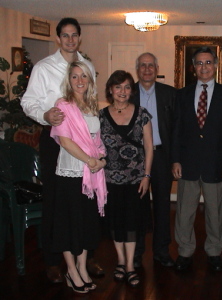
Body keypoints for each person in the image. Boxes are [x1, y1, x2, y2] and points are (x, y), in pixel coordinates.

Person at [20, 17, 103, 283]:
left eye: (74, 35)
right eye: (65, 35)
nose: (69, 40)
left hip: (85, 142)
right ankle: (53, 261)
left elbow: (91, 99)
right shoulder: (44, 67)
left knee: (86, 200)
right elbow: (28, 102)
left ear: (79, 37)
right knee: (56, 201)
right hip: (56, 141)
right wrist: (45, 114)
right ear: (58, 38)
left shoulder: (87, 65)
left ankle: (85, 258)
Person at [171, 47, 222, 271]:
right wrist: (175, 160)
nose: (204, 67)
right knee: (184, 210)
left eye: (208, 62)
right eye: (199, 63)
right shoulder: (181, 95)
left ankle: (214, 252)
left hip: (216, 164)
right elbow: (177, 130)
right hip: (188, 163)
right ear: (194, 67)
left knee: (216, 211)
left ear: (216, 65)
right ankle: (185, 251)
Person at [50, 61, 107, 293]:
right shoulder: (63, 105)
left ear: (90, 80)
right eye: (75, 77)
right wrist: (89, 160)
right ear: (69, 80)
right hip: (71, 173)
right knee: (68, 223)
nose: (80, 81)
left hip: (91, 174)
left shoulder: (92, 106)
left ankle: (83, 268)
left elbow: (98, 141)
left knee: (85, 223)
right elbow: (65, 141)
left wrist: (101, 159)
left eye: (84, 76)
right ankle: (71, 271)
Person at [100, 70, 153, 287]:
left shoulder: (142, 114)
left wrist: (147, 176)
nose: (123, 91)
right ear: (110, 89)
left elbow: (149, 147)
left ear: (132, 90)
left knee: (132, 223)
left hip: (135, 179)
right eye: (118, 87)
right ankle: (120, 261)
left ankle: (130, 265)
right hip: (109, 179)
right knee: (116, 222)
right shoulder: (100, 116)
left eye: (127, 87)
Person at [133, 52, 176, 268]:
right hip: (135, 158)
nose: (147, 69)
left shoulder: (170, 94)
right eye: (143, 65)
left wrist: (175, 159)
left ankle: (161, 251)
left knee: (162, 205)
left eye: (151, 65)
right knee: (138, 207)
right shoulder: (127, 92)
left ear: (157, 68)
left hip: (161, 157)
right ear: (137, 69)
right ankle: (137, 253)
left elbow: (177, 130)